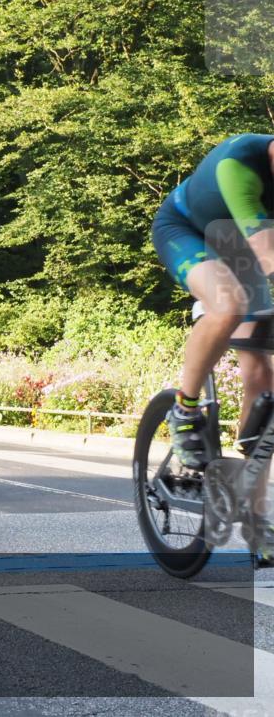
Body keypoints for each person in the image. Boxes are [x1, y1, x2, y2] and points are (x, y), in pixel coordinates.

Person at [152, 133, 274, 563]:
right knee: (227, 305)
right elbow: (268, 253)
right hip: (188, 232)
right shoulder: (239, 165)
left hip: (242, 248)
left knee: (261, 378)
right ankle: (184, 410)